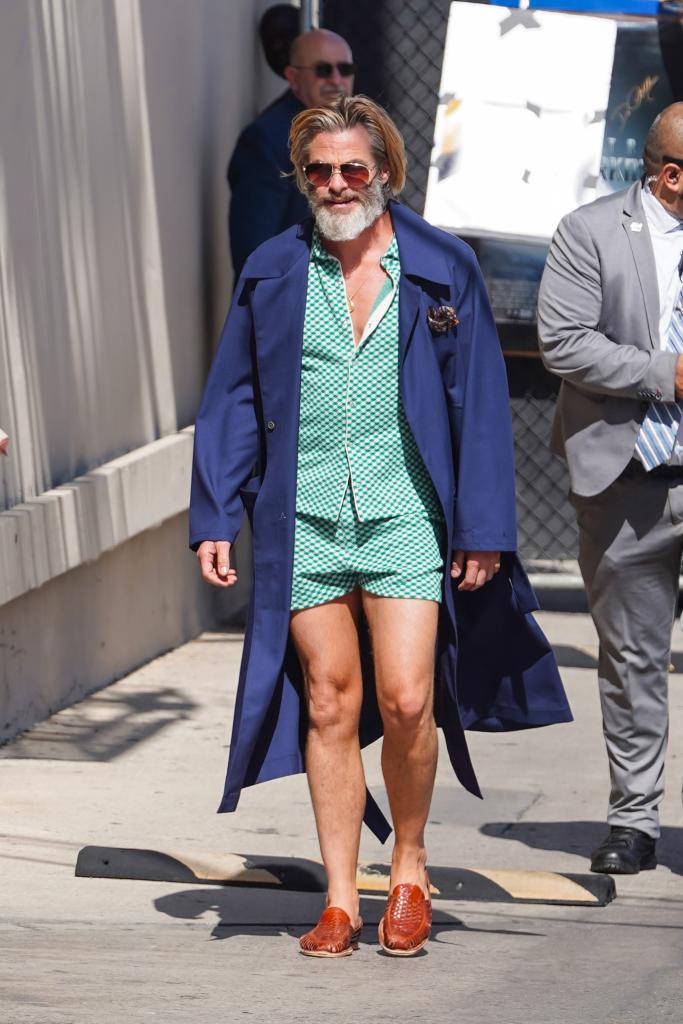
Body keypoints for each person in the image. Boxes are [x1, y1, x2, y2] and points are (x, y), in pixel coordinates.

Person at [191, 95, 570, 958]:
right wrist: (217, 510)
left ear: (385, 173)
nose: (333, 184)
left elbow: (476, 407)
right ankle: (336, 899)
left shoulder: (441, 268)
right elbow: (236, 398)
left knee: (405, 699)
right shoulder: (273, 270)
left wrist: (482, 528)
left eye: (351, 168)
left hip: (405, 514)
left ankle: (407, 865)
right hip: (306, 518)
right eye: (317, 170)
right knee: (328, 700)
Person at [538, 103, 683, 875]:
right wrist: (666, 374)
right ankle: (633, 818)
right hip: (624, 476)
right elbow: (562, 341)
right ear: (669, 176)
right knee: (631, 657)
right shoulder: (588, 233)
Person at [227, 28, 355, 278]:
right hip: (287, 307)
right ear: (293, 77)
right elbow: (254, 256)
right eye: (322, 70)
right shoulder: (267, 140)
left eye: (345, 69)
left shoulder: (350, 132)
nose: (336, 80)